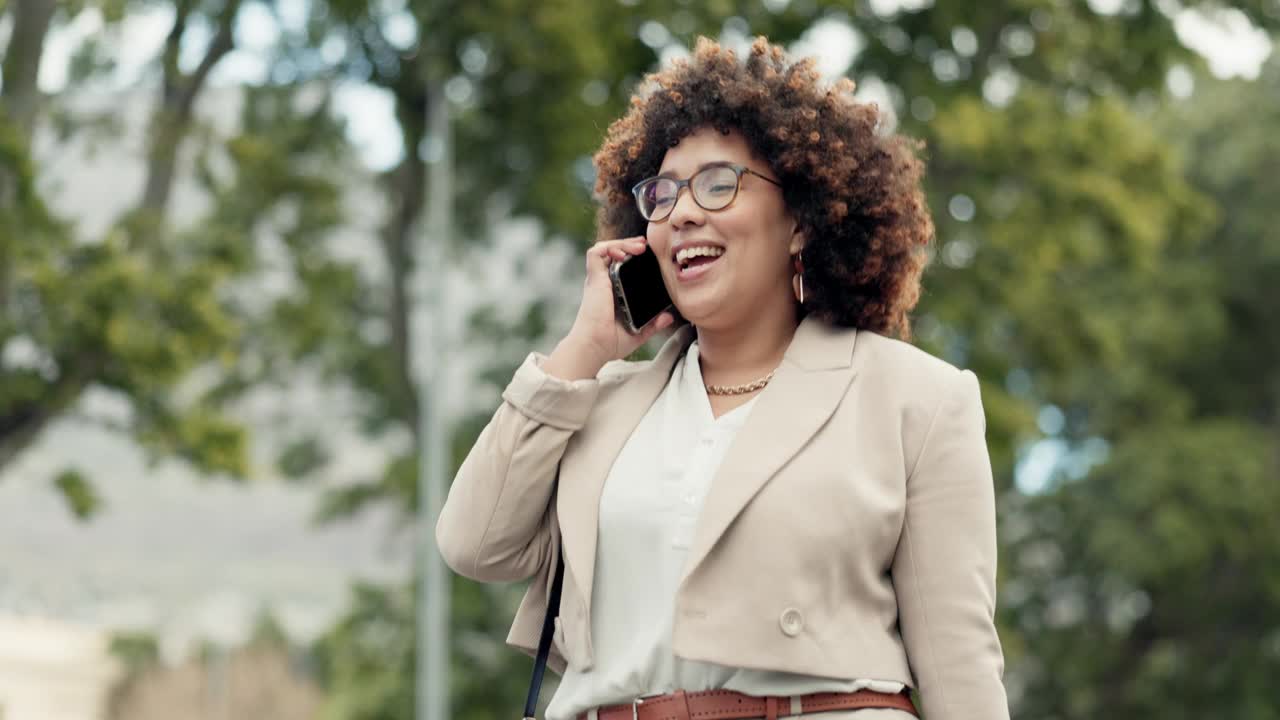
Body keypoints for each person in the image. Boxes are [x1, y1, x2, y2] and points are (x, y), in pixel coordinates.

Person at [437, 36, 1009, 720]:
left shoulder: (917, 399)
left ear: (801, 220)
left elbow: (960, 667)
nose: (681, 213)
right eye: (662, 194)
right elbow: (474, 543)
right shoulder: (599, 403)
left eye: (717, 184)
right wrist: (585, 348)